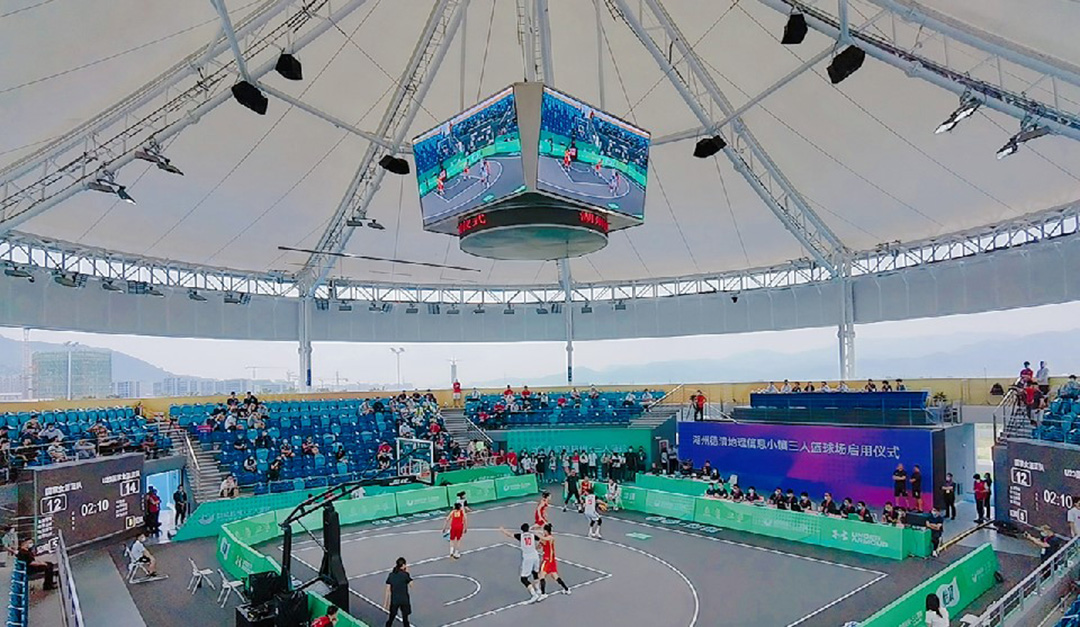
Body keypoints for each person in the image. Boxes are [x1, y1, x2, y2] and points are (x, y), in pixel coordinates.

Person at [499, 524, 543, 603]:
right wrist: (538, 546)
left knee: (523, 578)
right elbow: (541, 539)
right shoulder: (532, 535)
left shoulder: (521, 536)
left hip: (528, 558)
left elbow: (509, 534)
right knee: (535, 572)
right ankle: (538, 590)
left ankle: (534, 595)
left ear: (522, 530)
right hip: (535, 555)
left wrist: (503, 530)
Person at [536, 524, 571, 596]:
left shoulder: (550, 537)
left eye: (544, 530)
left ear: (546, 531)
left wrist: (537, 534)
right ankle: (566, 589)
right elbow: (539, 546)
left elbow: (545, 539)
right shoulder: (544, 538)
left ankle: (543, 594)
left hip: (547, 559)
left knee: (541, 575)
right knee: (554, 575)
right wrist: (539, 543)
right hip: (551, 560)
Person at [383, 557, 412, 627]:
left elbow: (387, 590)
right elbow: (411, 585)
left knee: (391, 617)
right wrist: (408, 573)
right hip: (404, 600)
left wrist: (385, 603)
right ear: (403, 565)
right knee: (405, 619)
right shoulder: (405, 575)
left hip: (395, 600)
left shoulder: (391, 575)